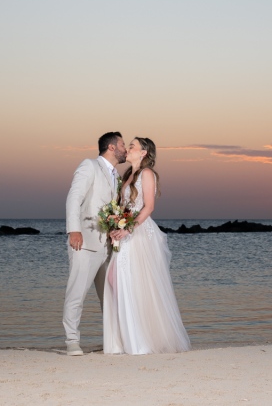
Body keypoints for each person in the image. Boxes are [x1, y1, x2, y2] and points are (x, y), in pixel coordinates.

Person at [103, 137, 191, 354]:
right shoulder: (127, 176)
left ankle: (140, 341)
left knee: (135, 282)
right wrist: (114, 226)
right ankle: (126, 338)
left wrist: (127, 229)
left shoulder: (147, 174)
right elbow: (123, 207)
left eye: (132, 145)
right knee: (116, 278)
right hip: (125, 231)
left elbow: (149, 207)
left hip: (139, 232)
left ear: (143, 153)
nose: (129, 148)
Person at [63, 131, 127, 356]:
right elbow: (74, 197)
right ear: (111, 147)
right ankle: (72, 341)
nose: (125, 148)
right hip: (85, 242)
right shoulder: (89, 166)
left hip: (109, 246)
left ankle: (112, 341)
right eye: (122, 144)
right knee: (77, 293)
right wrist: (74, 230)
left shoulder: (117, 177)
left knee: (109, 296)